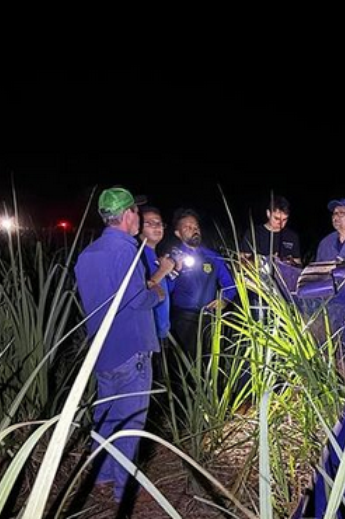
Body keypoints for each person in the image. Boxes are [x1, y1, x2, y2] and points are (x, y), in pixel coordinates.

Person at [74, 187, 166, 503]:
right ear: (127, 215)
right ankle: (122, 488)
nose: (139, 218)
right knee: (130, 420)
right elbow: (136, 299)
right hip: (131, 350)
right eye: (137, 212)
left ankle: (100, 475)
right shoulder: (126, 250)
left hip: (102, 352)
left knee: (106, 416)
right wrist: (157, 294)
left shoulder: (87, 254)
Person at [168, 208, 236, 358]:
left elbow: (230, 284)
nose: (194, 230)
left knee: (209, 362)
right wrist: (175, 270)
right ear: (178, 233)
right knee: (184, 364)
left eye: (196, 227)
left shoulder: (213, 257)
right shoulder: (172, 258)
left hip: (208, 318)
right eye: (187, 227)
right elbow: (166, 289)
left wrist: (224, 300)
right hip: (182, 319)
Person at [138, 205, 175, 343]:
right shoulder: (137, 256)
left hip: (161, 330)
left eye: (159, 223)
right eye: (149, 223)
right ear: (138, 227)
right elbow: (137, 293)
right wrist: (162, 271)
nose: (156, 227)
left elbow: (166, 291)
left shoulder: (157, 256)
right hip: (146, 333)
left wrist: (174, 272)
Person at [240, 194, 302, 265]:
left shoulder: (292, 237)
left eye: (284, 219)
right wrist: (264, 261)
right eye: (276, 218)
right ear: (268, 213)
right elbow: (241, 260)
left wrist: (291, 263)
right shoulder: (253, 233)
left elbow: (298, 264)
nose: (280, 223)